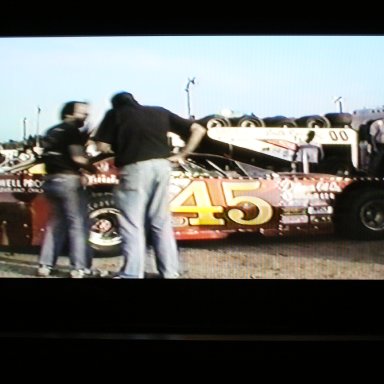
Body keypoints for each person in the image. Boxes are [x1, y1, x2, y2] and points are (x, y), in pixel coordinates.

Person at [93, 91, 206, 278]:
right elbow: (199, 129)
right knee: (160, 221)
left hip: (135, 168)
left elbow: (101, 146)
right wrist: (183, 154)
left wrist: (120, 146)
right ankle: (170, 272)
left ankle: (131, 273)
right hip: (163, 167)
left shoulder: (115, 114)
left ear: (116, 105)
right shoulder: (159, 112)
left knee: (132, 223)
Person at [37, 101, 97, 278]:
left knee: (55, 224)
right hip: (68, 181)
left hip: (50, 181)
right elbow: (78, 158)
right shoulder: (72, 131)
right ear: (69, 114)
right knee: (77, 224)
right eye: (82, 113)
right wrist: (92, 168)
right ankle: (79, 268)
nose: (85, 117)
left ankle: (45, 265)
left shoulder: (51, 131)